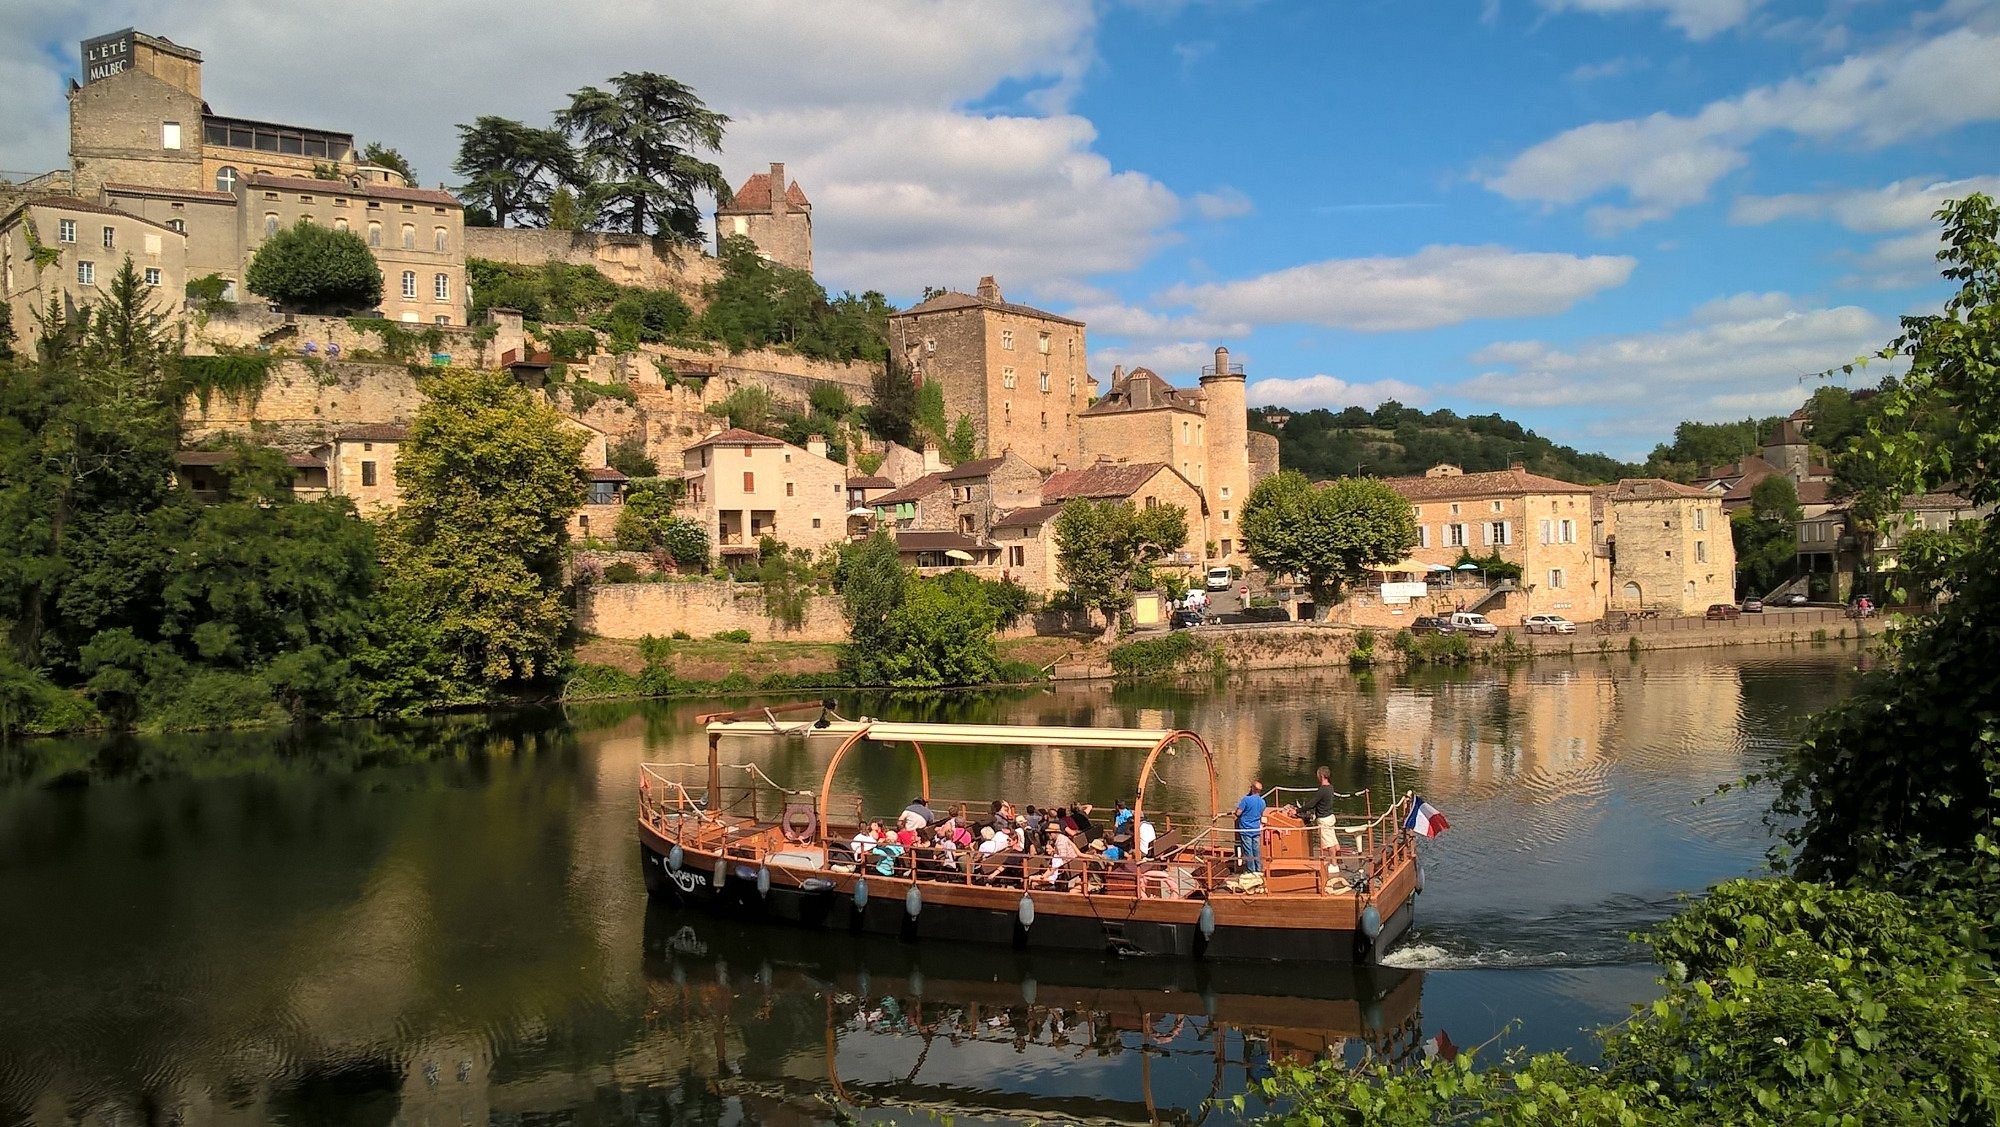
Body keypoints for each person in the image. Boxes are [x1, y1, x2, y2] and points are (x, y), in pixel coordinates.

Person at [1305, 766, 1339, 858]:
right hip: (1330, 817)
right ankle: (1340, 861)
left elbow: (1311, 804)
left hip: (1324, 819)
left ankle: (1334, 864)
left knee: (1329, 843)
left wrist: (1297, 810)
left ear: (1322, 776)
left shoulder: (1322, 790)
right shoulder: (1330, 787)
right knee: (1333, 840)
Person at [1235, 781, 1267, 874]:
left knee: (1248, 850)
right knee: (1256, 849)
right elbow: (1261, 814)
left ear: (1252, 788)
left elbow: (1238, 813)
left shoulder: (1246, 799)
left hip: (1246, 829)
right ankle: (1259, 869)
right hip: (1256, 829)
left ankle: (1251, 870)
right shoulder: (1262, 802)